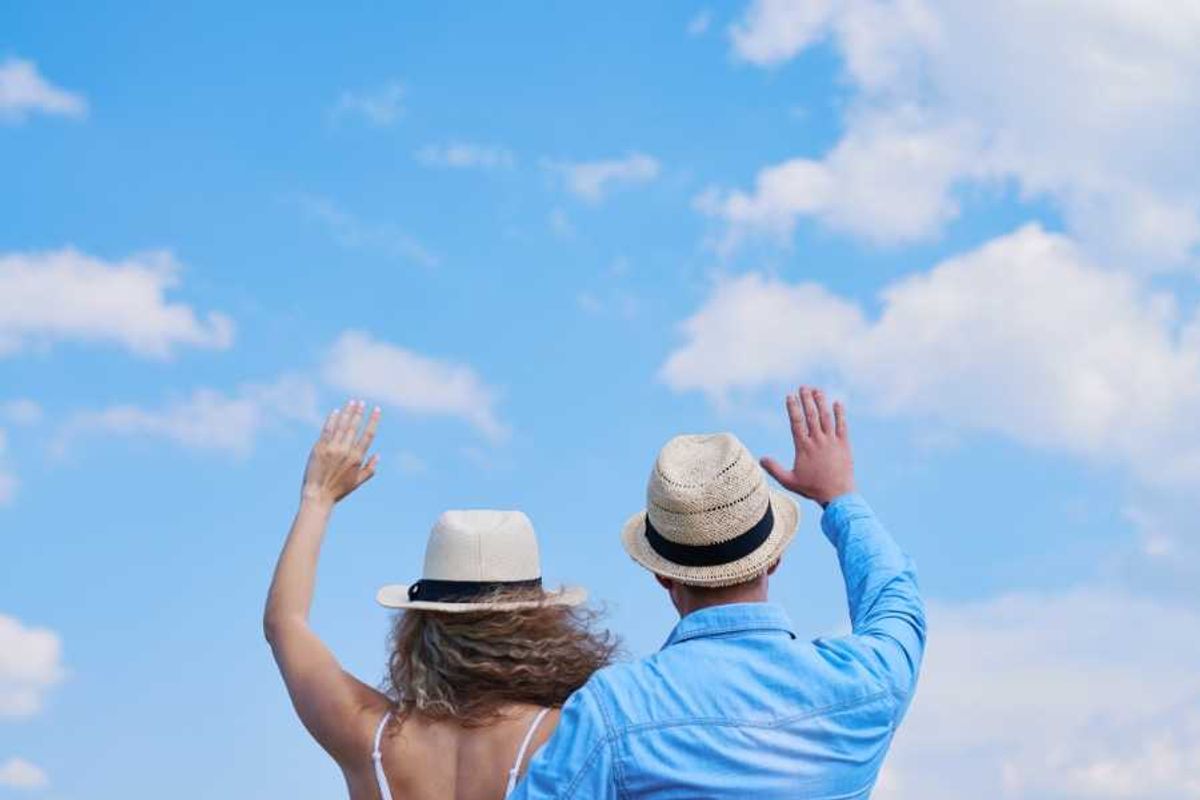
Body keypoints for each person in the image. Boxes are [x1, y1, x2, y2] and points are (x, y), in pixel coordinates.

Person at [512, 387, 926, 798]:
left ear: (661, 575)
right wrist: (840, 497)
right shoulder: (867, 682)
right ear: (774, 558)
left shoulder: (611, 710)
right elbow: (895, 600)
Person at [264, 399, 617, 800]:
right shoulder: (565, 738)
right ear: (539, 626)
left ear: (423, 623)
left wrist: (317, 498)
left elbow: (284, 624)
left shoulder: (369, 735)